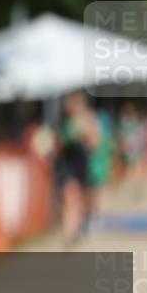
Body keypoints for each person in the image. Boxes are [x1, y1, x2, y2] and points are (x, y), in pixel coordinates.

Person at [55, 91, 100, 244]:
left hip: (81, 163)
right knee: (69, 196)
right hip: (67, 164)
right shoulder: (64, 121)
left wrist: (84, 135)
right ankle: (69, 232)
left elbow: (95, 144)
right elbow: (59, 145)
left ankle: (78, 225)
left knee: (79, 198)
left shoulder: (88, 119)